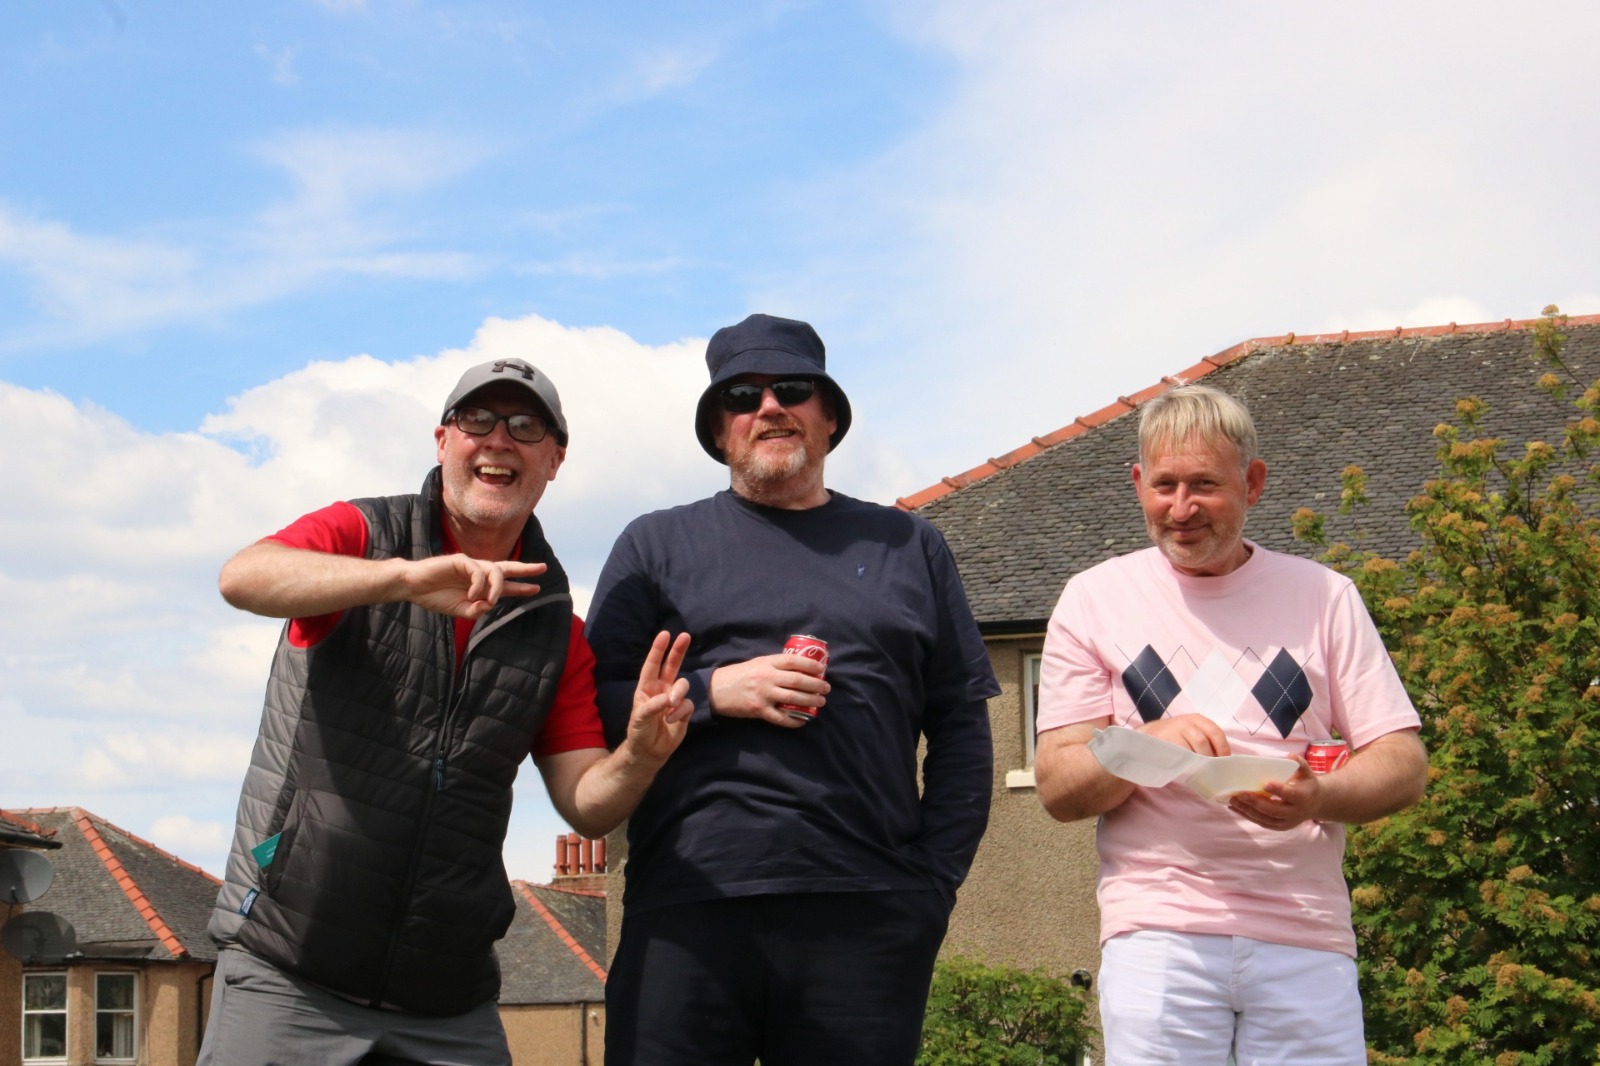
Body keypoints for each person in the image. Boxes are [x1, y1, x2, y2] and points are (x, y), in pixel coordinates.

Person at [198, 357, 693, 1066]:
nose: (498, 439)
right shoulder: (365, 535)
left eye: (525, 427)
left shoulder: (556, 628)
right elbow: (243, 576)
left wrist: (641, 755)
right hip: (288, 967)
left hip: (448, 999)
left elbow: (588, 804)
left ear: (555, 460)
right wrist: (400, 580)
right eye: (476, 419)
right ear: (442, 440)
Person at [586, 313, 998, 1066]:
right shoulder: (656, 545)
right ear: (720, 430)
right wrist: (712, 691)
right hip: (687, 904)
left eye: (792, 388)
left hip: (866, 913)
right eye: (742, 396)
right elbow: (594, 712)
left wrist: (931, 887)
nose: (769, 406)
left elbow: (962, 725)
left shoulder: (907, 544)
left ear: (829, 416)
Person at [1034, 383, 1429, 1065]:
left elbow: (1403, 762)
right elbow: (1057, 787)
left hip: (1305, 935)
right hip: (1158, 931)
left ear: (1253, 483)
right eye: (1164, 485)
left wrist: (1320, 796)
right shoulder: (1093, 599)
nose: (1181, 508)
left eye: (1205, 485)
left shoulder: (1325, 597)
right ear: (1137, 483)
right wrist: (1140, 747)